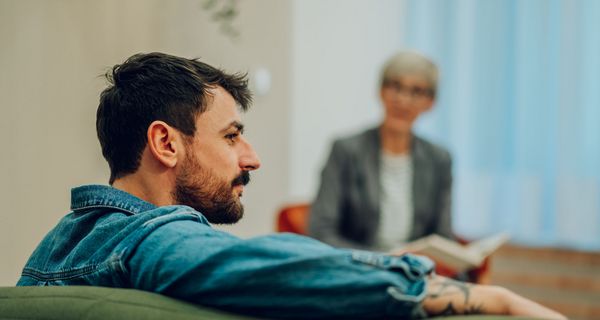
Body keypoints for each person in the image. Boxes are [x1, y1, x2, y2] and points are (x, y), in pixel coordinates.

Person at [17, 52, 564, 320]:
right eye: (232, 136)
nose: (252, 157)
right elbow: (279, 266)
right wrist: (488, 298)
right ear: (166, 144)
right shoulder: (151, 239)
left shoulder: (58, 244)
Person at [309, 51, 453, 252]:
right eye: (396, 87)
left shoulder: (439, 159)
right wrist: (382, 262)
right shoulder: (345, 151)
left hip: (413, 271)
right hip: (359, 267)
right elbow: (321, 231)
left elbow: (443, 236)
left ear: (430, 103)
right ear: (381, 91)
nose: (403, 100)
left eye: (416, 91)